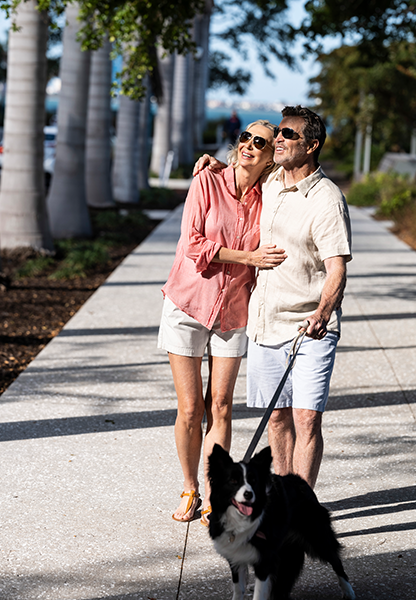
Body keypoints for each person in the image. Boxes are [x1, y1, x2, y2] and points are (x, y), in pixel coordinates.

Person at [194, 106, 351, 490]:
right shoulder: (273, 180)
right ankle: (282, 495)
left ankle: (300, 508)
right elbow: (243, 170)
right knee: (276, 418)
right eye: (278, 133)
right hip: (266, 324)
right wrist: (216, 165)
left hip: (309, 327)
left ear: (311, 146)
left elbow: (337, 269)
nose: (278, 140)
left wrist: (322, 313)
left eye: (288, 135)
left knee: (307, 419)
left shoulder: (327, 199)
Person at [160, 120, 286, 525]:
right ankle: (190, 486)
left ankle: (217, 493)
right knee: (191, 407)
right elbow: (193, 244)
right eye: (245, 138)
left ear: (270, 156)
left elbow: (300, 173)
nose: (249, 145)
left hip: (233, 312)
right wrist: (247, 258)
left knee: (222, 405)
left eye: (260, 142)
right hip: (187, 305)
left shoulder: (269, 195)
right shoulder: (207, 182)